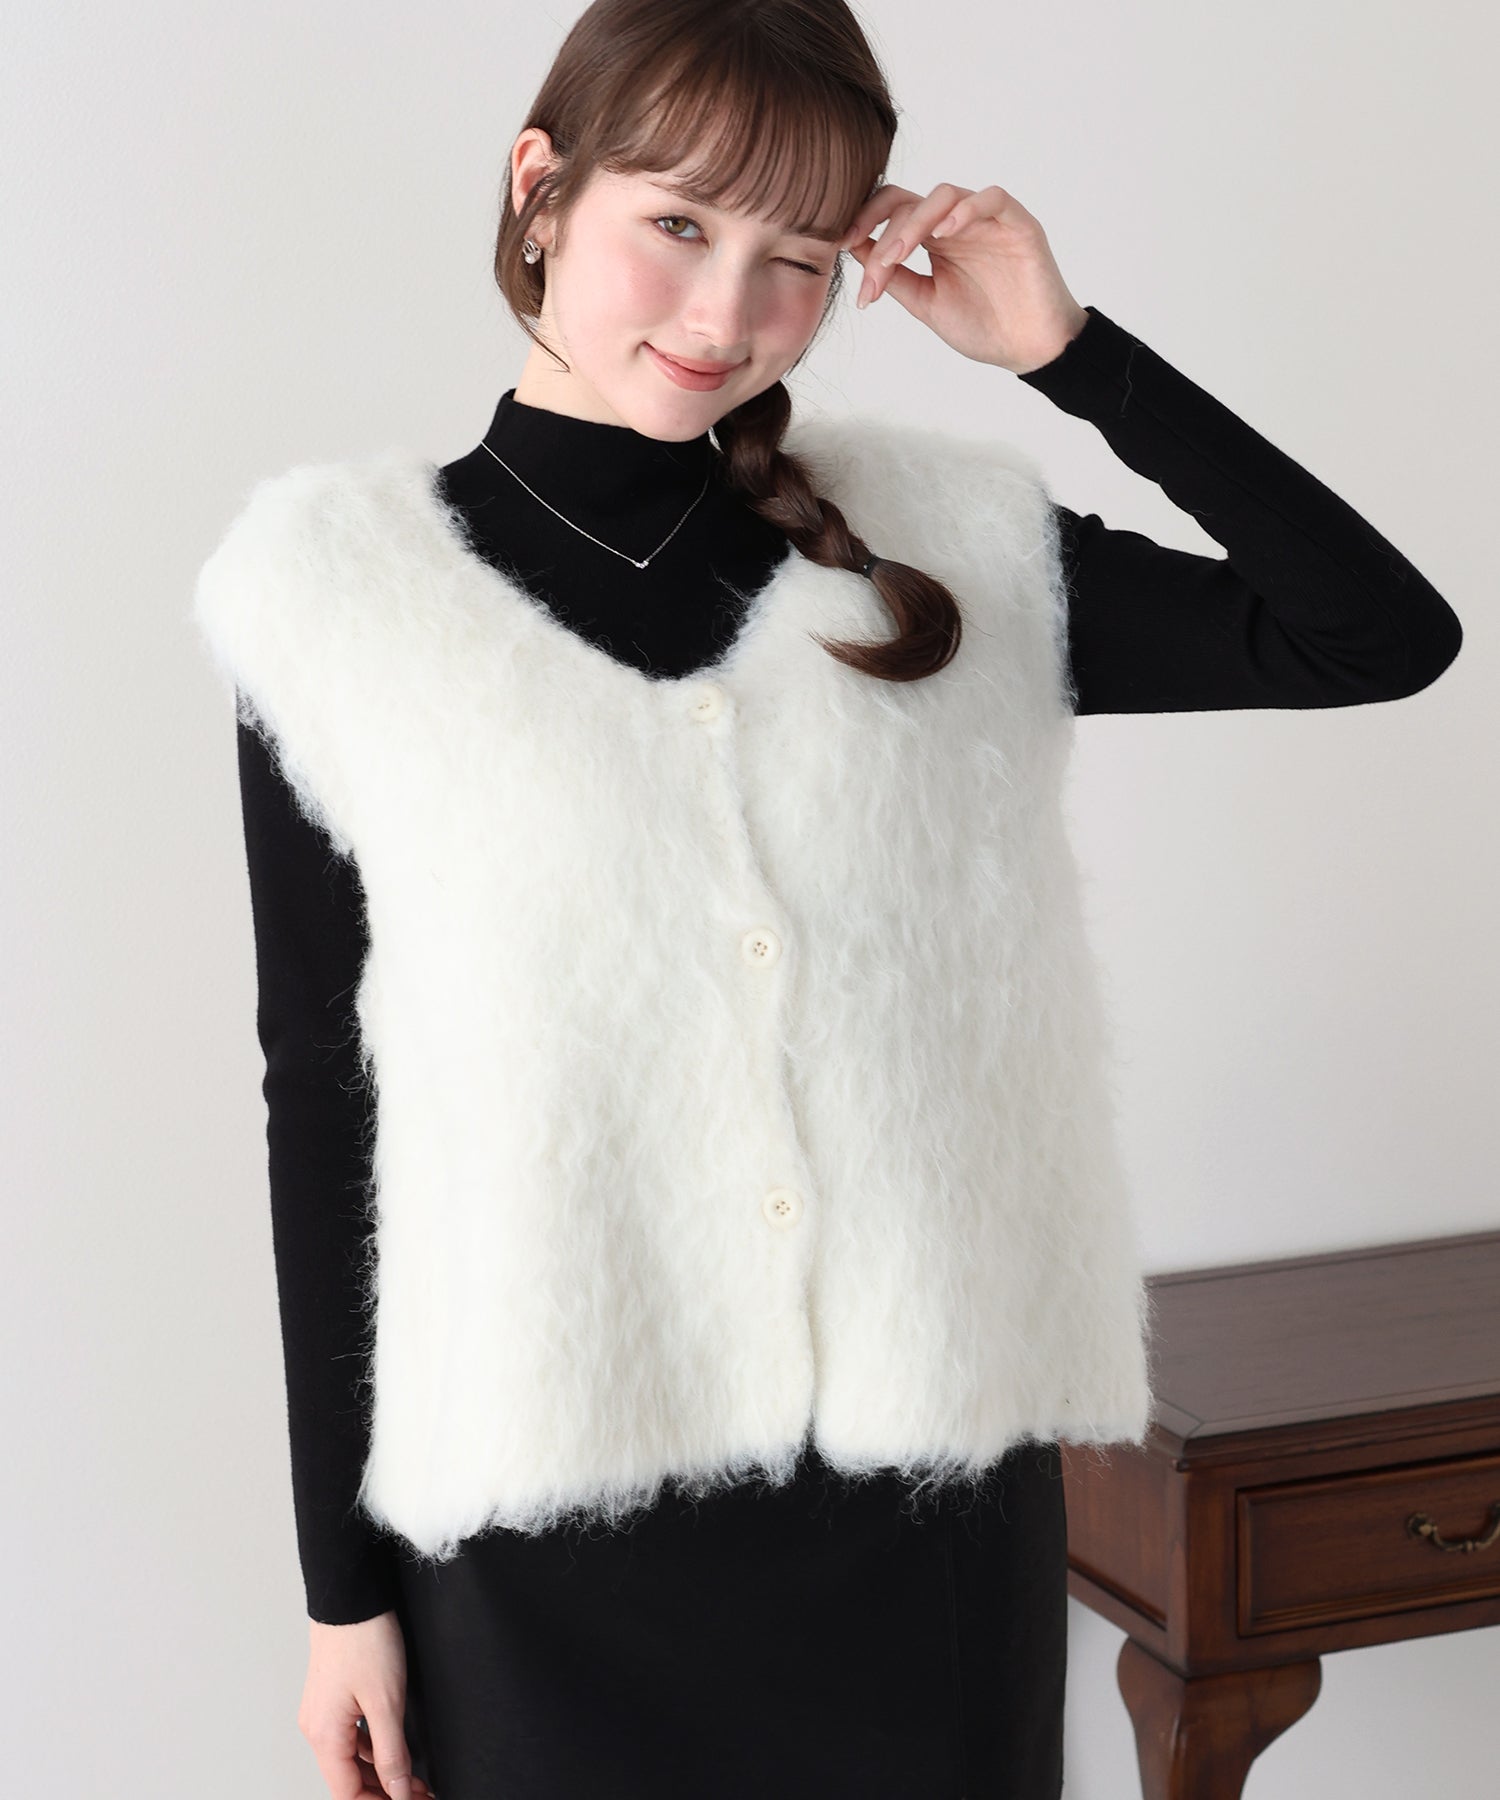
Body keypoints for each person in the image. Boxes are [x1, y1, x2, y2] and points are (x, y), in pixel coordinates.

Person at [193, 2, 1462, 1797]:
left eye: (796, 258)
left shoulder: (944, 544)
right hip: (538, 1544)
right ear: (540, 187)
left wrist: (1073, 354)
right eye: (678, 225)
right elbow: (326, 1104)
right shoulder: (335, 594)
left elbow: (1375, 636)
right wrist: (343, 1593)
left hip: (920, 1529)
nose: (724, 314)